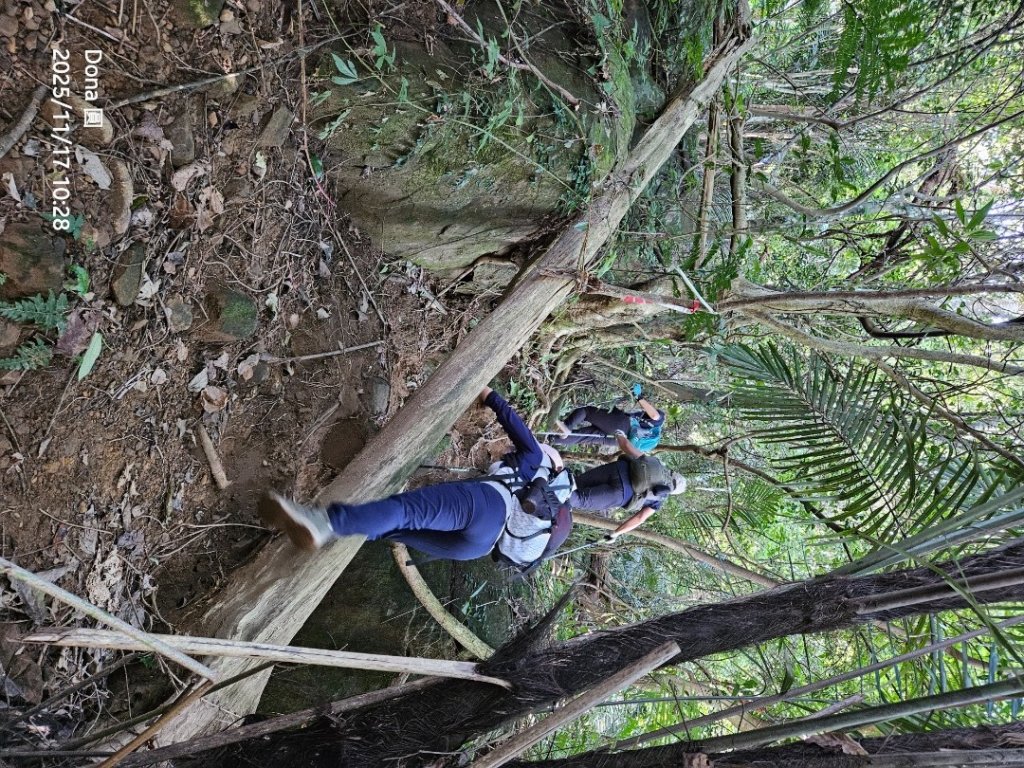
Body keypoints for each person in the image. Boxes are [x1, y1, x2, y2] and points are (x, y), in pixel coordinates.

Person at [258, 387, 574, 568]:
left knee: (407, 512)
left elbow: (509, 416)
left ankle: (324, 523)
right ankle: (325, 539)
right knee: (393, 530)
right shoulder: (536, 502)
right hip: (476, 548)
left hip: (489, 505)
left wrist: (487, 392)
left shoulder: (533, 459)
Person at [569, 429, 686, 540]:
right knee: (580, 499)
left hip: (617, 469)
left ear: (672, 473)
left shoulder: (656, 465)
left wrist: (619, 435)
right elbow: (639, 519)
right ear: (672, 491)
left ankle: (552, 480)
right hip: (621, 494)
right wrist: (616, 533)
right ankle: (552, 495)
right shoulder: (659, 500)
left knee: (575, 482)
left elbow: (628, 448)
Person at [551, 384, 666, 451]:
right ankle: (549, 439)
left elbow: (655, 416)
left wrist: (639, 396)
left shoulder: (660, 419)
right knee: (583, 437)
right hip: (620, 441)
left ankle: (566, 427)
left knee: (586, 411)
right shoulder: (649, 431)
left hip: (621, 426)